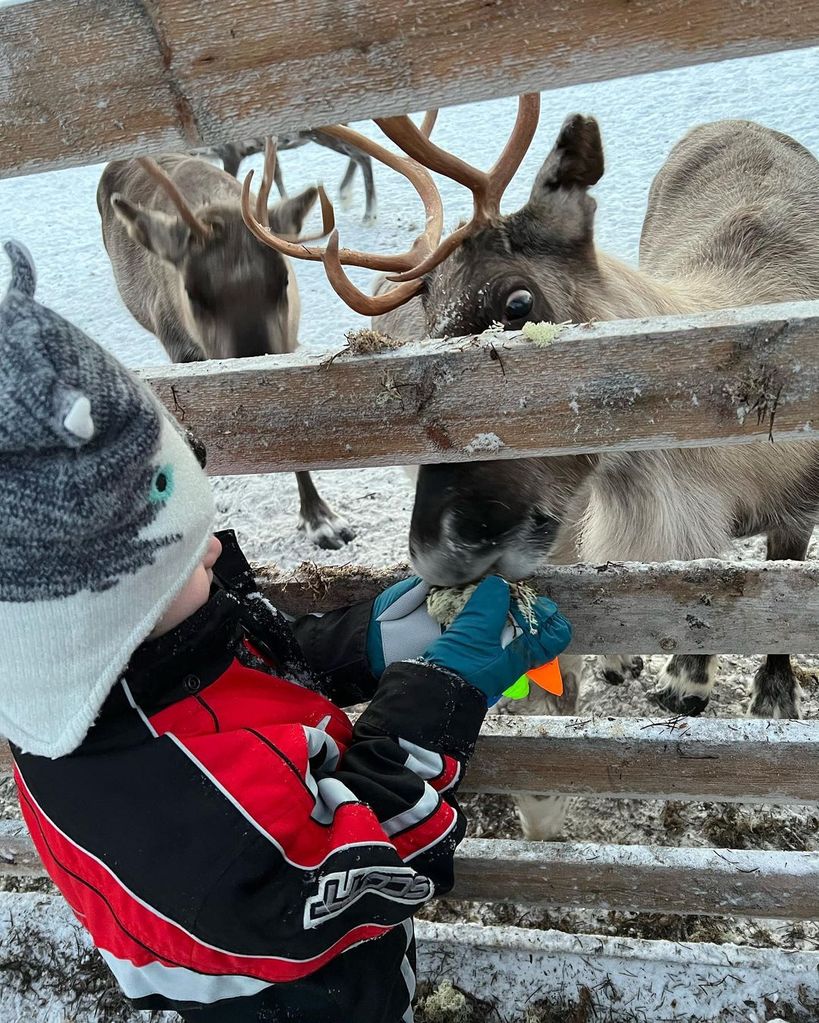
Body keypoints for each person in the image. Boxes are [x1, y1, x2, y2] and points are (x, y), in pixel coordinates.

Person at [0, 240, 572, 1023]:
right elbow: (358, 865)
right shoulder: (173, 811)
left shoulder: (121, 668)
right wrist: (443, 692)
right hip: (301, 996)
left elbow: (244, 667)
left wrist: (365, 642)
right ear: (99, 619)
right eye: (180, 558)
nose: (213, 547)